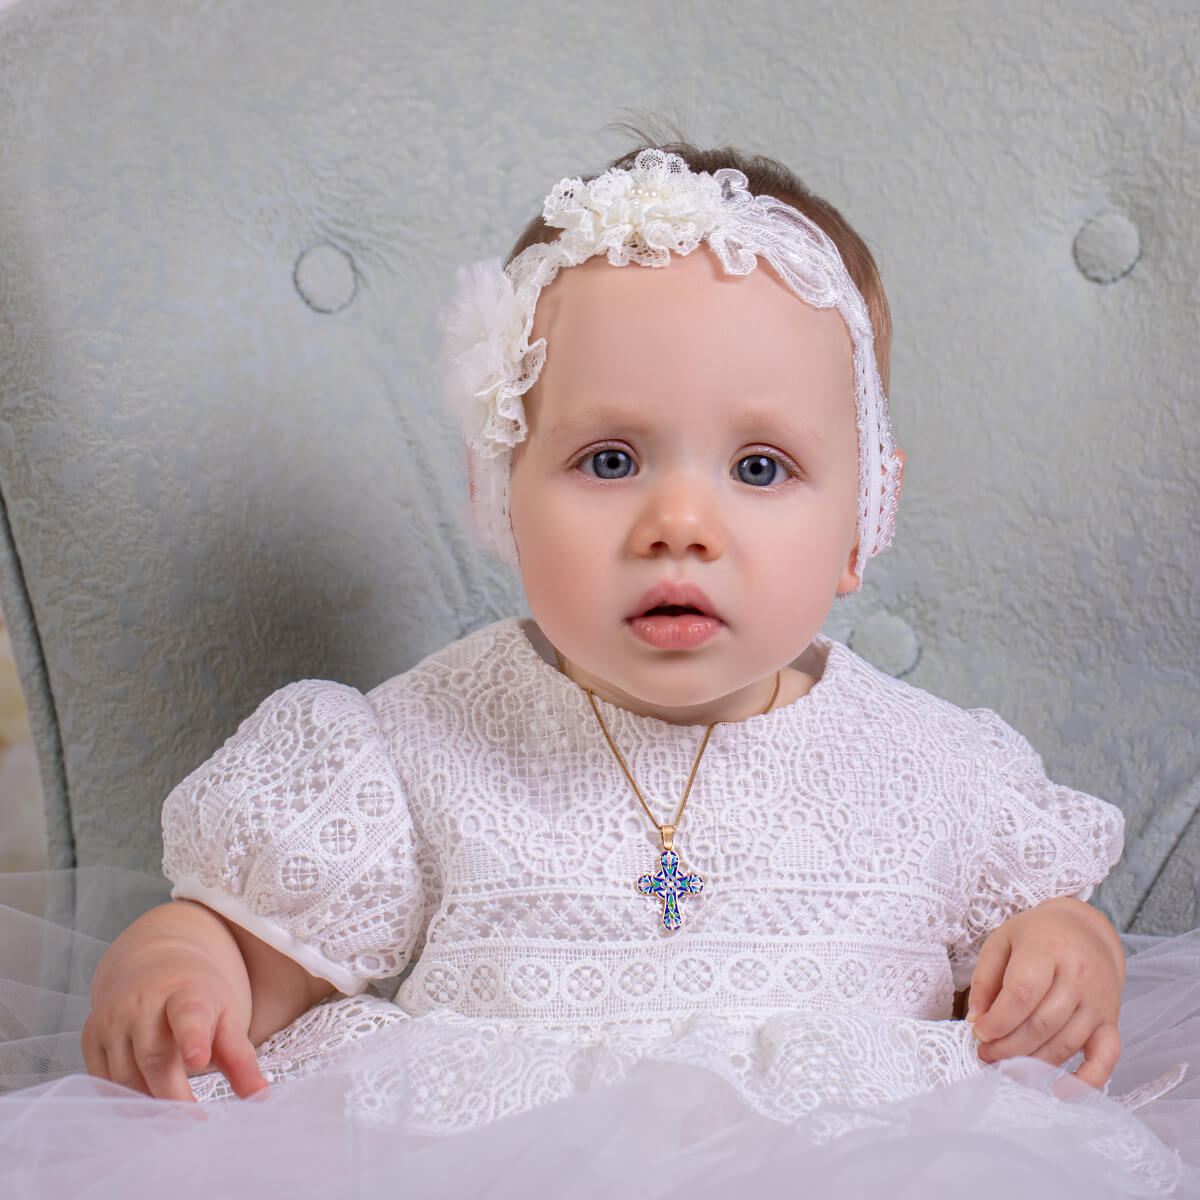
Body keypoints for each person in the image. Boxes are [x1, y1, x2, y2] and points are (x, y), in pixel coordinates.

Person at [3, 145, 1198, 1198]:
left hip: (864, 1154)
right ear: (499, 496)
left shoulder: (945, 771)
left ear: (863, 520)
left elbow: (1039, 933)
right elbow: (268, 958)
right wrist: (187, 962)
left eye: (764, 468)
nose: (680, 520)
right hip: (481, 1156)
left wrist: (1065, 950)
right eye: (610, 457)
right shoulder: (414, 744)